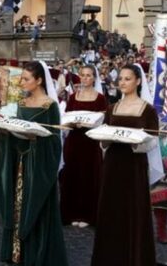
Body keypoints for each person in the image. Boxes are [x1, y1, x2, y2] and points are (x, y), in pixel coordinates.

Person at [0, 61, 68, 265]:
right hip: (19, 163)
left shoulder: (49, 105)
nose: (22, 82)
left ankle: (37, 254)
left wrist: (37, 141)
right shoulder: (21, 104)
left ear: (39, 80)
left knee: (37, 208)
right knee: (16, 206)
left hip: (38, 169)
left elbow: (54, 140)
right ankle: (16, 253)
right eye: (21, 78)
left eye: (26, 79)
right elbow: (17, 132)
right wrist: (4, 133)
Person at [91, 64, 158, 266]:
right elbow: (103, 139)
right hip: (113, 165)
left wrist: (137, 142)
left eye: (127, 79)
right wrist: (104, 139)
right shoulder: (112, 108)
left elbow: (153, 141)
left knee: (133, 209)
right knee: (111, 209)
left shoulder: (148, 110)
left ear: (138, 81)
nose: (122, 82)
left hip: (134, 166)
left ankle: (135, 258)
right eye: (120, 79)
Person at [60, 65, 107, 227]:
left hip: (91, 142)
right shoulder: (73, 97)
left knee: (89, 176)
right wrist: (73, 123)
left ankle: (87, 215)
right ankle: (72, 213)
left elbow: (103, 121)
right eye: (83, 75)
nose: (85, 78)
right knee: (73, 174)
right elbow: (66, 118)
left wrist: (90, 124)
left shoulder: (100, 98)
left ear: (94, 78)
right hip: (74, 141)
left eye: (89, 75)